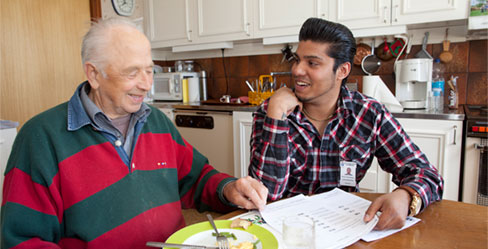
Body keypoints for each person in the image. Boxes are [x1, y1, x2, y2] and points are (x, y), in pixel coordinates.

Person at [1, 17, 267, 249]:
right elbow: (24, 241)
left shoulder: (156, 122)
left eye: (150, 70)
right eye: (132, 73)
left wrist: (228, 188)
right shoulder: (41, 138)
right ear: (94, 74)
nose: (146, 85)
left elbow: (195, 178)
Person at [248, 17, 443, 230]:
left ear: (342, 70)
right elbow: (265, 193)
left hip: (345, 229)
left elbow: (427, 174)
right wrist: (275, 114)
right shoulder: (271, 111)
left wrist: (405, 196)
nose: (297, 70)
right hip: (286, 230)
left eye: (312, 63)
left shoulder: (368, 113)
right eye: (297, 59)